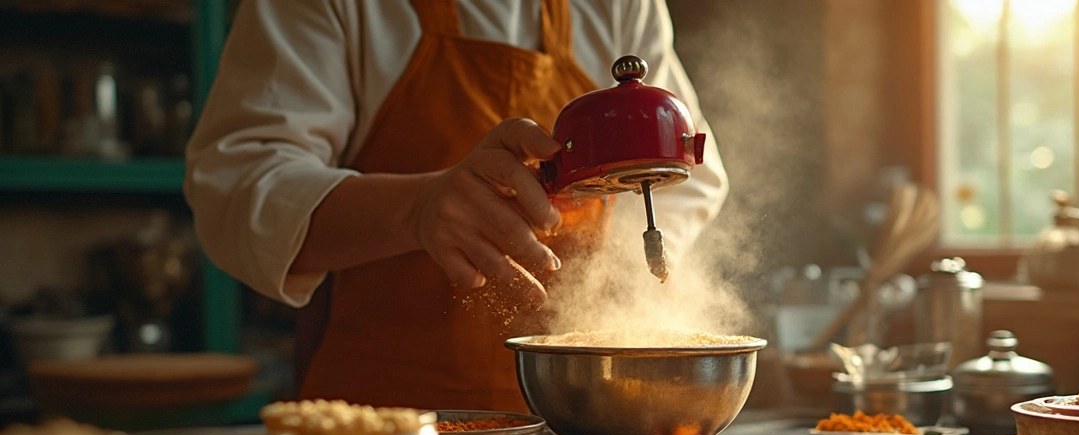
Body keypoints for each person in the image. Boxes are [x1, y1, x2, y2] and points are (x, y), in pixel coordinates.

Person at [185, 0, 728, 413]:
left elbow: (691, 173)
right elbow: (239, 186)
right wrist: (416, 208)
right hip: (387, 429)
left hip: (582, 425)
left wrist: (617, 294)